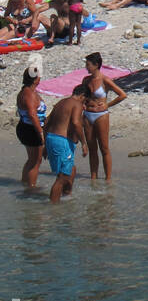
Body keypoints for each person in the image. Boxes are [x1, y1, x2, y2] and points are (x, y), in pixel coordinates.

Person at [81, 51, 126, 181]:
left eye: (88, 65)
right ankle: (93, 178)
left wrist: (108, 105)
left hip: (101, 115)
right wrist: (82, 104)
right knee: (92, 148)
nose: (86, 67)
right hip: (87, 114)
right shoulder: (86, 80)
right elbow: (82, 95)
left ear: (96, 65)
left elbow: (122, 94)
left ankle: (108, 178)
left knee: (104, 147)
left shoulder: (105, 80)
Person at [44, 85, 88, 202]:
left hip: (52, 138)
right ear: (82, 96)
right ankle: (54, 208)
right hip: (62, 141)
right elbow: (75, 123)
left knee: (71, 170)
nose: (84, 104)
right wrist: (84, 143)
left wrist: (45, 146)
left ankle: (66, 195)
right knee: (61, 178)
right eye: (85, 100)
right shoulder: (76, 104)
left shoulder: (61, 102)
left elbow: (47, 122)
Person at [15, 68, 46, 188]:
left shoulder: (26, 91)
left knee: (31, 159)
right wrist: (41, 133)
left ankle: (24, 183)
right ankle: (31, 188)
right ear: (36, 79)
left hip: (26, 127)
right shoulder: (29, 94)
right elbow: (33, 115)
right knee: (35, 161)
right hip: (31, 129)